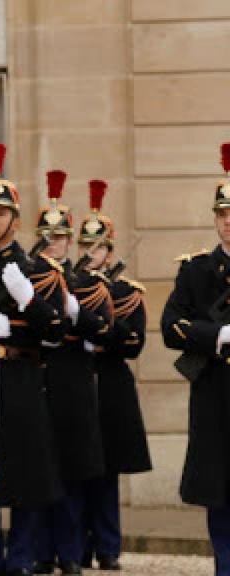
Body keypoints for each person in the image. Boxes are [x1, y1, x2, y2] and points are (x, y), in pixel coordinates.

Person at [0, 144, 65, 576]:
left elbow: (56, 331)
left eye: (1, 212)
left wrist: (26, 305)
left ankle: (21, 557)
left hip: (22, 376)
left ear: (15, 218)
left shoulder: (37, 268)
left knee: (24, 473)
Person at [33, 172, 110, 576]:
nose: (54, 244)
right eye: (47, 237)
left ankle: (71, 552)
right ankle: (42, 552)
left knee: (74, 473)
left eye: (60, 237)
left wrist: (73, 310)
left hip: (74, 381)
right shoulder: (28, 276)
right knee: (41, 472)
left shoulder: (83, 281)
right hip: (40, 378)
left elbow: (102, 328)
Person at [161, 142, 230, 576]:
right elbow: (172, 327)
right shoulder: (197, 271)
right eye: (223, 215)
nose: (229, 223)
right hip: (215, 398)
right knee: (219, 492)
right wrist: (218, 334)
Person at [77, 179, 152, 571]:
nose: (92, 254)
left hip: (109, 385)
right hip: (78, 382)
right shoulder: (68, 286)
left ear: (110, 249)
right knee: (78, 471)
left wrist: (99, 327)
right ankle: (76, 547)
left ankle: (107, 546)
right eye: (85, 247)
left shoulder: (126, 291)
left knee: (106, 472)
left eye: (99, 247)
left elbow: (133, 344)